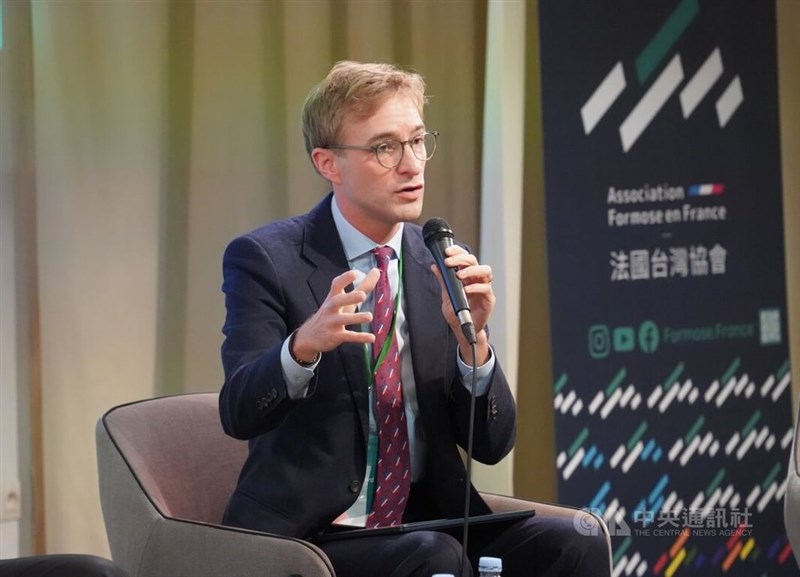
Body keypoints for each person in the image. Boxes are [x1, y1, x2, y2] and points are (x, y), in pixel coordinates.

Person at [218, 60, 610, 577]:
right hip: (315, 536)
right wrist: (303, 346)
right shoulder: (268, 259)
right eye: (385, 148)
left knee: (574, 541)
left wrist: (474, 347)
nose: (412, 165)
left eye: (418, 141)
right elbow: (239, 410)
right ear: (328, 163)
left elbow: (493, 445)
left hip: (431, 523)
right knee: (433, 556)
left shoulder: (438, 260)